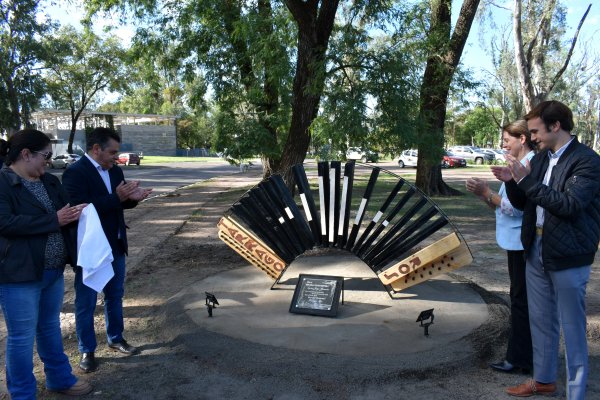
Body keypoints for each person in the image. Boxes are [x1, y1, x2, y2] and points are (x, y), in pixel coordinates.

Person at [491, 101, 600, 399]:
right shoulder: (540, 160)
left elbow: (568, 205)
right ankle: (543, 380)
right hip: (535, 248)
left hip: (569, 254)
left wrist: (524, 179)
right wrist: (512, 181)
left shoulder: (587, 161)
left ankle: (576, 392)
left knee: (573, 326)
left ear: (555, 126)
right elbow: (527, 202)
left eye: (537, 131)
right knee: (540, 320)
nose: (533, 136)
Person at [0, 129, 92, 399]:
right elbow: (4, 222)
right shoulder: (3, 183)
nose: (49, 162)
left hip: (52, 271)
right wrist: (55, 220)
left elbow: (64, 213)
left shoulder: (50, 182)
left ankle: (59, 378)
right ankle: (22, 393)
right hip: (19, 275)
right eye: (46, 156)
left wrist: (79, 213)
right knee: (21, 337)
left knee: (50, 327)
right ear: (25, 154)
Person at [62, 127, 152, 373]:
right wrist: (117, 197)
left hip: (115, 244)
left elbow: (119, 203)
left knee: (115, 294)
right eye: (112, 152)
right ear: (95, 149)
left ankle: (116, 337)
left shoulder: (116, 170)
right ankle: (87, 349)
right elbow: (79, 209)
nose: (116, 156)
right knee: (86, 301)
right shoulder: (75, 173)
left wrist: (135, 198)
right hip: (90, 248)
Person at [466, 120, 535, 375]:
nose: (503, 144)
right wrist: (484, 195)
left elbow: (516, 210)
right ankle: (521, 355)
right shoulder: (516, 167)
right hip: (514, 242)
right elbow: (501, 204)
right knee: (519, 298)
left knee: (520, 301)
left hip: (521, 244)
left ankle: (519, 359)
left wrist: (486, 192)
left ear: (522, 139)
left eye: (507, 139)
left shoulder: (527, 167)